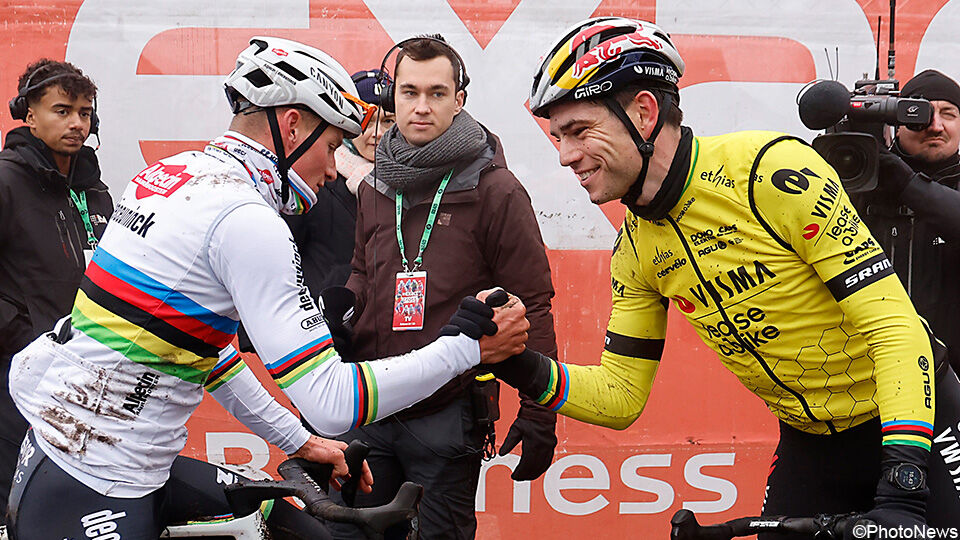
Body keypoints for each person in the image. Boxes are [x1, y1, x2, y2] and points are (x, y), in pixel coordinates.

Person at [4, 36, 528, 540]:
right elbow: (330, 401)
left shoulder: (169, 175)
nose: (331, 168)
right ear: (292, 125)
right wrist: (466, 348)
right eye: (331, 145)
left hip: (69, 447)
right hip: (97, 482)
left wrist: (300, 441)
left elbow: (209, 355)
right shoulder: (245, 218)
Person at [486, 17, 951, 537]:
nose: (565, 155)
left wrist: (905, 484)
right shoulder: (636, 250)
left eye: (579, 131)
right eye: (557, 137)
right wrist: (516, 362)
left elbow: (895, 327)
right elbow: (620, 397)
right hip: (811, 442)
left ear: (643, 112)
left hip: (915, 427)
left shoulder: (769, 172)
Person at [336, 35, 558, 539]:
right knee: (349, 533)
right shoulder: (375, 186)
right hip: (371, 399)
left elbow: (533, 304)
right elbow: (361, 272)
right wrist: (342, 312)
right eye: (409, 92)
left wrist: (540, 411)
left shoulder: (495, 189)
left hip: (448, 411)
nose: (421, 106)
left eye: (437, 93)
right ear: (391, 98)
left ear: (459, 99)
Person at [0, 59, 113, 525]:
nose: (76, 124)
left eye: (84, 113)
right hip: (13, 378)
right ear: (29, 115)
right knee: (15, 508)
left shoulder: (95, 190)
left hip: (84, 380)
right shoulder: (6, 181)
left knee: (74, 512)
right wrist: (22, 334)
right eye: (62, 110)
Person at [850, 68, 960, 527]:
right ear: (894, 124)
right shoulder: (858, 180)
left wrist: (908, 185)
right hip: (860, 400)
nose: (934, 124)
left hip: (950, 403)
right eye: (919, 114)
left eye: (949, 113)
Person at [283, 69, 394, 294]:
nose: (377, 133)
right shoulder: (315, 183)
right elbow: (279, 265)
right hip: (322, 321)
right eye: (366, 121)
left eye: (388, 121)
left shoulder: (413, 185)